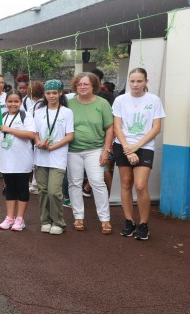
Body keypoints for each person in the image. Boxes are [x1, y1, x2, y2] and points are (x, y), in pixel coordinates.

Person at [113, 68, 165, 240]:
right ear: (128, 81)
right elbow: (117, 127)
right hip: (123, 145)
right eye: (132, 81)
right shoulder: (120, 100)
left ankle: (143, 224)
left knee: (141, 185)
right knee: (126, 183)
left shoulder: (154, 100)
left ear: (146, 82)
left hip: (144, 146)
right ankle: (129, 221)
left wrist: (137, 146)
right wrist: (128, 147)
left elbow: (156, 128)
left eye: (139, 81)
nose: (135, 84)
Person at [67, 72, 114, 234]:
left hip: (95, 149)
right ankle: (78, 216)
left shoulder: (102, 104)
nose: (82, 87)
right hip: (72, 151)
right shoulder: (68, 103)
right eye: (79, 84)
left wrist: (106, 150)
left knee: (97, 182)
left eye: (86, 84)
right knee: (74, 183)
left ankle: (105, 219)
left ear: (94, 85)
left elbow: (110, 127)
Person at [33, 80, 74, 235]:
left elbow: (70, 135)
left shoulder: (66, 112)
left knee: (54, 191)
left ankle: (58, 222)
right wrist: (39, 143)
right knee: (42, 190)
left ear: (60, 93)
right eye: (48, 93)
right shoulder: (38, 112)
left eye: (54, 93)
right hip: (40, 156)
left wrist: (52, 147)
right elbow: (34, 133)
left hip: (58, 157)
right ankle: (45, 220)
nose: (51, 96)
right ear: (44, 94)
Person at [0, 91, 37, 231]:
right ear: (6, 102)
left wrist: (9, 129)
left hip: (22, 159)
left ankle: (20, 219)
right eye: (10, 101)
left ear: (20, 102)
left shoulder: (26, 116)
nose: (13, 104)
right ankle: (9, 217)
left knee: (22, 188)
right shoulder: (2, 116)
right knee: (9, 188)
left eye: (16, 101)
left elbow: (31, 134)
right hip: (6, 160)